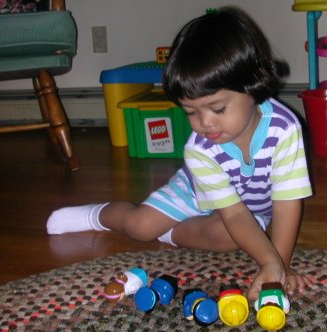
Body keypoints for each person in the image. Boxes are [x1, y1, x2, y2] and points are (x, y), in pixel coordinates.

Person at [47, 7, 313, 301]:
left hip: (249, 208)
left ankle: (169, 233)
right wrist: (269, 261)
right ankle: (99, 215)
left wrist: (280, 265)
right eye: (190, 112)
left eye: (218, 108)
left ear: (253, 86)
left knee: (229, 238)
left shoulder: (285, 130)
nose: (204, 123)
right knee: (140, 226)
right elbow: (234, 212)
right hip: (194, 191)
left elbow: (286, 205)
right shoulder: (200, 148)